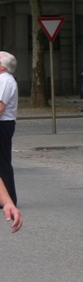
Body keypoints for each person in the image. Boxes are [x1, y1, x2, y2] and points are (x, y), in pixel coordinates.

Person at [0, 51, 18, 205]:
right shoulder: (3, 79)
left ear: (3, 66)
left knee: (3, 161)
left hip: (3, 123)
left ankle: (9, 198)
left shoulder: (6, 81)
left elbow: (1, 106)